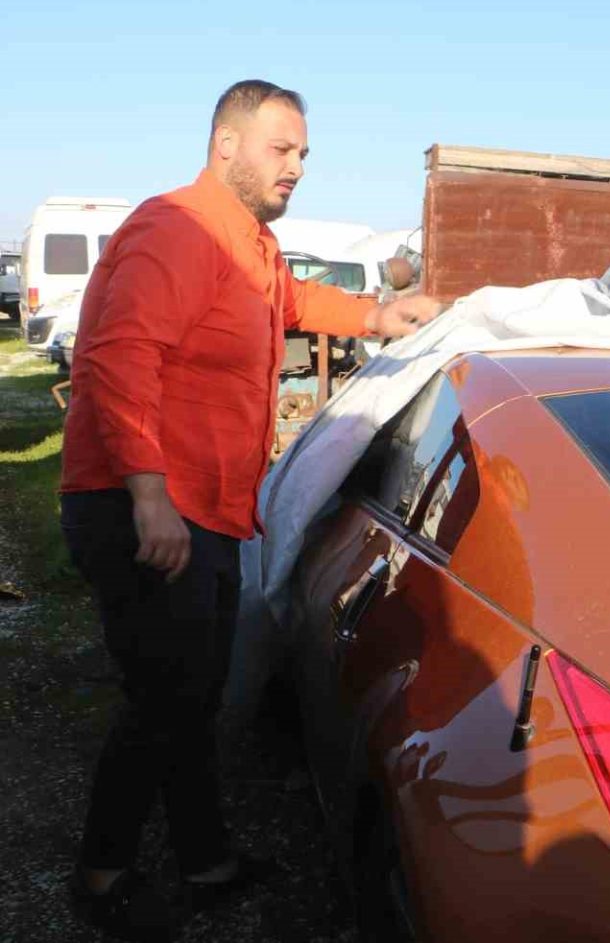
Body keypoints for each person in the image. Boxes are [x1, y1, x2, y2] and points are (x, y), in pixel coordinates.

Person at [59, 79, 441, 940]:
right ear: (225, 143)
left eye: (303, 153)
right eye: (281, 148)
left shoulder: (254, 249)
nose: (297, 166)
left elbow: (295, 303)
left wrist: (381, 315)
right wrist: (148, 494)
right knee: (164, 698)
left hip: (209, 511)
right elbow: (119, 358)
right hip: (144, 507)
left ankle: (203, 861)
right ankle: (101, 873)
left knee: (195, 696)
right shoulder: (178, 228)